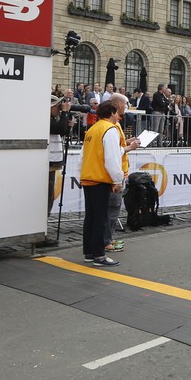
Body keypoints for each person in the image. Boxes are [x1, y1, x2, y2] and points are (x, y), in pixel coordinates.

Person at [79, 102, 127, 267]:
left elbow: (83, 155)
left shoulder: (93, 129)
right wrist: (117, 179)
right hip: (100, 178)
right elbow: (112, 158)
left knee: (91, 217)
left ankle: (89, 252)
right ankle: (99, 255)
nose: (118, 116)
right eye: (117, 113)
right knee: (100, 218)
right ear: (112, 113)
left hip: (88, 176)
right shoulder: (110, 129)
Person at [103, 93, 141, 253]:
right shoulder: (110, 126)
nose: (126, 107)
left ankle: (108, 239)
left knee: (112, 210)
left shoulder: (114, 124)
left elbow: (118, 145)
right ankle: (106, 241)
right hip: (114, 175)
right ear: (118, 105)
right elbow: (113, 152)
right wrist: (129, 147)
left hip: (119, 171)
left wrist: (128, 142)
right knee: (111, 210)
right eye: (125, 104)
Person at [47, 93, 73, 218]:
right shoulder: (45, 119)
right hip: (47, 163)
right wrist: (65, 113)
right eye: (58, 107)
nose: (59, 110)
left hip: (51, 163)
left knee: (49, 195)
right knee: (47, 196)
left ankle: (44, 220)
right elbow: (59, 129)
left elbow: (60, 133)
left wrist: (68, 126)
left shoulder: (52, 120)